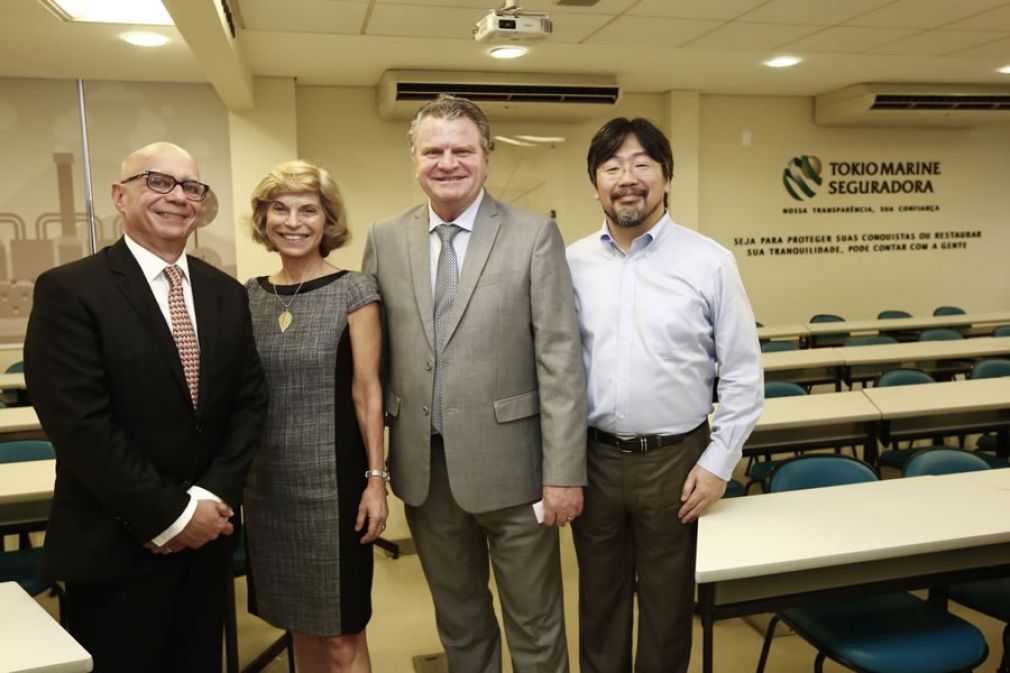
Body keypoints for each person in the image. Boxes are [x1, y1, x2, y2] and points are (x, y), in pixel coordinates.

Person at [362, 94, 587, 673]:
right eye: (432, 150)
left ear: (486, 157)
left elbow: (559, 359)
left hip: (518, 471)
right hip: (424, 472)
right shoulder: (384, 239)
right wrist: (374, 467)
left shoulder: (534, 234)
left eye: (462, 149)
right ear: (413, 158)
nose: (448, 162)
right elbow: (373, 357)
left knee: (535, 623)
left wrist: (564, 473)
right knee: (459, 621)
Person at [24, 142, 268, 673]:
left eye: (191, 187)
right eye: (159, 181)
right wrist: (171, 515)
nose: (178, 197)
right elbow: (80, 425)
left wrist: (207, 501)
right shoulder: (71, 290)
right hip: (116, 546)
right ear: (120, 194)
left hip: (207, 542)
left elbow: (249, 404)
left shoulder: (226, 293)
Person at [566, 117, 764, 673]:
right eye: (612, 167)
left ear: (667, 178)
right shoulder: (570, 262)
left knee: (667, 607)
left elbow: (745, 376)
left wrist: (719, 462)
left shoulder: (710, 261)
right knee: (599, 604)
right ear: (596, 183)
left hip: (679, 461)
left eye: (641, 165)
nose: (626, 178)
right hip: (593, 458)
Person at [243, 160, 387, 673]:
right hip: (268, 489)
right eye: (279, 208)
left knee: (342, 636)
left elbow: (367, 390)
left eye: (309, 209)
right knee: (299, 623)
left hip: (336, 486)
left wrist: (376, 481)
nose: (293, 221)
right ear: (264, 220)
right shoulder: (249, 297)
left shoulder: (354, 290)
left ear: (328, 221)